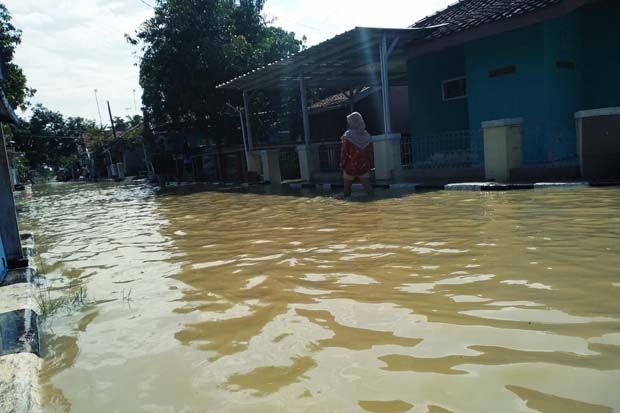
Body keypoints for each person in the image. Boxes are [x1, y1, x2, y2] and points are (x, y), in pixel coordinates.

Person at [340, 112, 374, 197]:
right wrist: (370, 166)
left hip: (350, 167)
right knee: (370, 192)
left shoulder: (347, 135)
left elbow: (344, 153)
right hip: (363, 166)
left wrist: (342, 165)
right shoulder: (367, 135)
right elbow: (370, 153)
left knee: (346, 192)